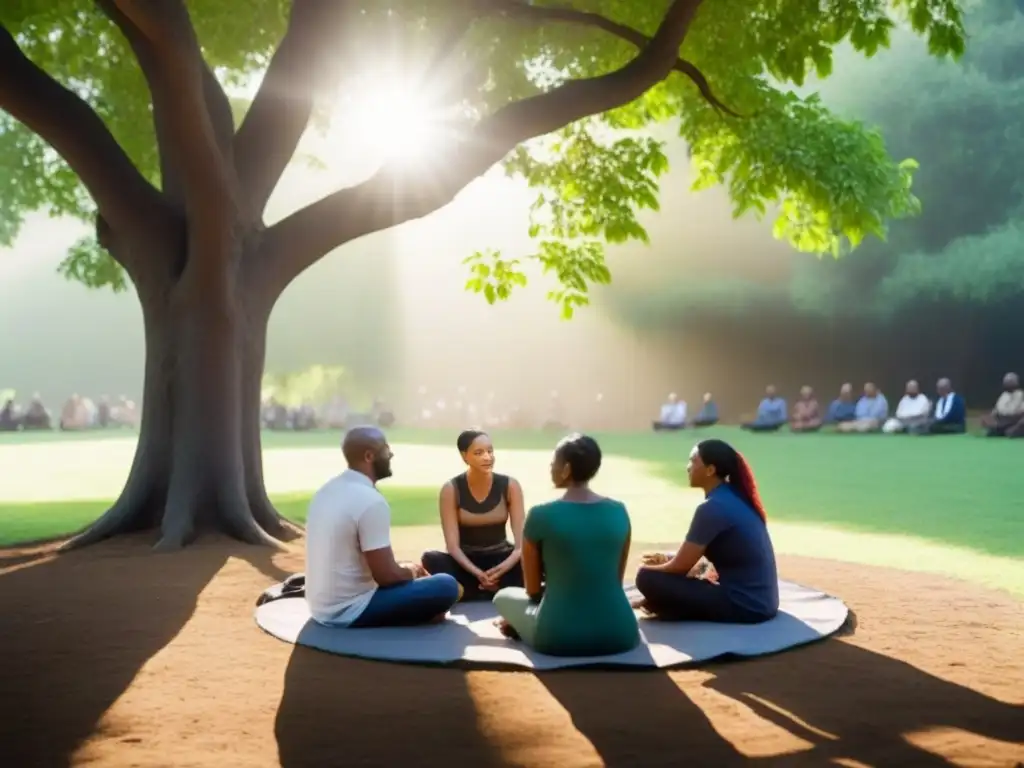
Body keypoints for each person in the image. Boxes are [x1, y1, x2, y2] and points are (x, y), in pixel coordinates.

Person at [493, 434, 640, 657]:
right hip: (621, 632)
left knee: (503, 596)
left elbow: (532, 591)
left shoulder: (541, 515)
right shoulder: (619, 511)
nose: (551, 467)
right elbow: (614, 582)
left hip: (557, 636)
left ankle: (520, 626)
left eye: (554, 462)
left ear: (567, 469)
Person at [305, 427, 461, 628]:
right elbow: (387, 577)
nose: (391, 455)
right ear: (369, 456)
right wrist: (412, 572)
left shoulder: (327, 490)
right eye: (386, 450)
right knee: (446, 586)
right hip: (348, 610)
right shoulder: (371, 501)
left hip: (319, 606)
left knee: (408, 570)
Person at [633, 439, 779, 624]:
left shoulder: (712, 507)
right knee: (664, 575)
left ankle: (668, 606)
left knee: (646, 577)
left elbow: (681, 567)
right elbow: (702, 563)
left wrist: (650, 570)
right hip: (763, 602)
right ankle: (667, 606)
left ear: (710, 470)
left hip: (746, 606)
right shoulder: (735, 498)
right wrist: (669, 558)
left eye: (693, 461)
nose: (688, 467)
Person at [421, 430, 526, 600]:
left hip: (502, 559)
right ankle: (492, 588)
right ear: (464, 456)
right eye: (479, 453)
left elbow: (521, 546)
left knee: (535, 556)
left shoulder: (510, 486)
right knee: (431, 558)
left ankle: (472, 590)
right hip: (466, 562)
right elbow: (453, 547)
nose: (487, 457)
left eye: (490, 451)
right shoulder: (451, 489)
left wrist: (499, 570)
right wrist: (478, 573)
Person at [982, 372, 1024, 437]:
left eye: (1011, 382)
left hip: (1016, 420)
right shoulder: (1003, 395)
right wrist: (990, 417)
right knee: (990, 430)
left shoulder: (1021, 395)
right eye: (1007, 382)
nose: (1008, 383)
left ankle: (1013, 430)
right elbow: (996, 410)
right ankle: (1001, 430)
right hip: (1002, 420)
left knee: (1010, 432)